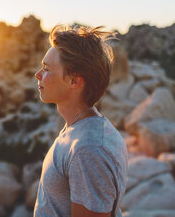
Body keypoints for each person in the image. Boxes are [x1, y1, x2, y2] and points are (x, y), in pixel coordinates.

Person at [33, 25, 128, 217]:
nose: (38, 75)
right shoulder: (78, 130)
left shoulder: (89, 150)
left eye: (46, 68)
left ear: (74, 81)